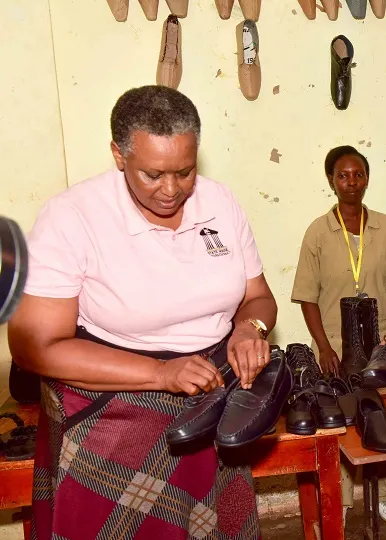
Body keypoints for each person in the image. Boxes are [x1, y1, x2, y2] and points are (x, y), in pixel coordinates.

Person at [7, 86, 277, 538]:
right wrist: (159, 374)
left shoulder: (219, 203)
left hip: (210, 398)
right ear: (118, 155)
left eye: (184, 172)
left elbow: (258, 296)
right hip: (117, 407)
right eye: (152, 174)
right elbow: (33, 347)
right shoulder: (73, 217)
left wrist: (251, 327)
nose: (171, 190)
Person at [291, 145, 386, 523]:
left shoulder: (385, 226)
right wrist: (325, 348)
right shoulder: (317, 232)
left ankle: (383, 496)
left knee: (381, 419)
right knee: (341, 425)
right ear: (331, 180)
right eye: (343, 175)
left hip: (379, 345)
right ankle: (339, 505)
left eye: (358, 174)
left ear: (367, 179)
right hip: (335, 347)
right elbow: (307, 298)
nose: (351, 182)